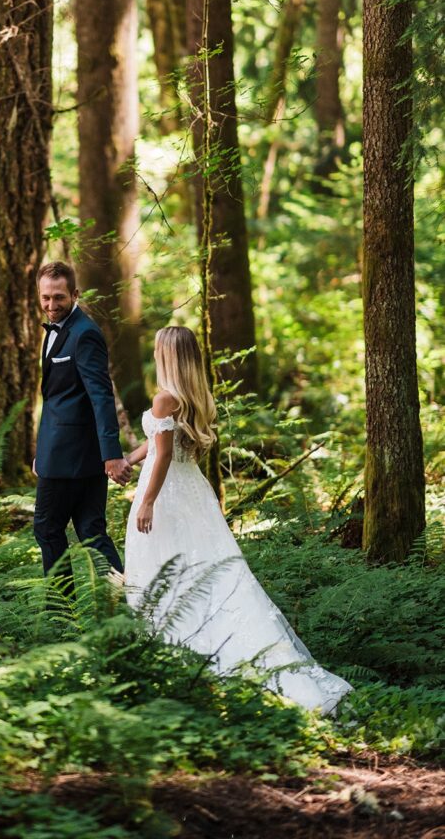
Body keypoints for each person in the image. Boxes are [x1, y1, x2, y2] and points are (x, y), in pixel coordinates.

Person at [124, 325, 352, 715]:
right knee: (206, 572)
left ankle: (177, 656)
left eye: (160, 350)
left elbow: (163, 456)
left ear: (168, 356)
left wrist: (146, 502)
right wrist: (128, 460)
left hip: (170, 497)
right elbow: (158, 443)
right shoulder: (193, 397)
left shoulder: (164, 398)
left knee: (168, 572)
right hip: (193, 494)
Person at [33, 261, 132, 599]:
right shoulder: (56, 330)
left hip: (72, 456)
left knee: (47, 529)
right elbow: (56, 401)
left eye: (58, 297)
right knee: (91, 530)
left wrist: (112, 455)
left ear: (74, 294)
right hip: (61, 451)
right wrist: (40, 452)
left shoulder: (84, 333)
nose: (51, 305)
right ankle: (127, 602)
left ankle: (62, 611)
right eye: (45, 298)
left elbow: (101, 396)